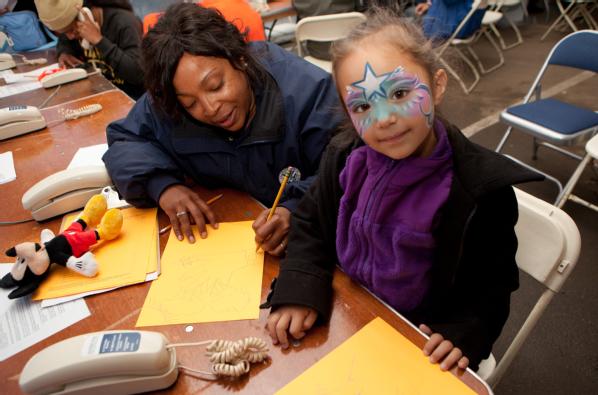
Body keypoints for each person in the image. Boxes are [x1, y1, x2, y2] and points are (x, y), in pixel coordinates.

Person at [264, 10, 542, 371]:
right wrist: (300, 288)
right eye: (363, 105)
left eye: (399, 93)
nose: (383, 119)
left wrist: (464, 333)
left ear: (437, 84)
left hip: (415, 343)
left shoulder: (480, 194)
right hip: (344, 313)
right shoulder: (344, 158)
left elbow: (490, 288)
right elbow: (311, 225)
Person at [102, 3, 343, 256]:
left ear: (240, 58)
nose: (210, 108)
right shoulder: (171, 96)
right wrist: (161, 186)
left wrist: (297, 209)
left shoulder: (306, 90)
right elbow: (125, 140)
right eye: (190, 103)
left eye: (216, 86)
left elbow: (348, 164)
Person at [34, 0, 144, 99]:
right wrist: (64, 52)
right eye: (65, 32)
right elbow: (64, 40)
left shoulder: (125, 23)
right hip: (98, 93)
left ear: (84, 14)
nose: (70, 37)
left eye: (72, 30)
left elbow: (138, 74)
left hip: (129, 98)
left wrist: (99, 41)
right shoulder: (73, 30)